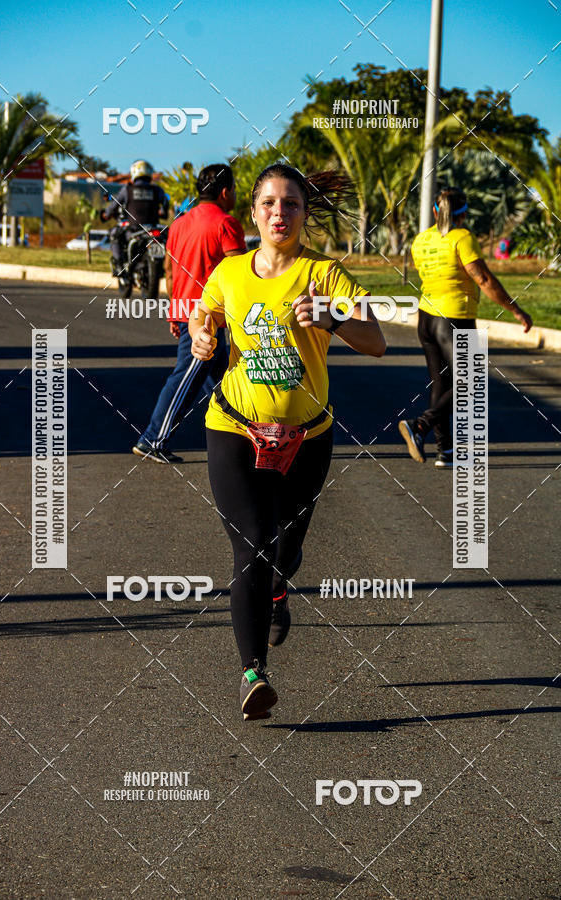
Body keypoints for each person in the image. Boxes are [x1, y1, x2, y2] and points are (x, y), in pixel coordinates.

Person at [189, 163, 386, 720]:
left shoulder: (326, 274)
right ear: (252, 212)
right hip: (233, 426)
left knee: (286, 550)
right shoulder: (229, 271)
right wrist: (203, 333)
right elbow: (205, 315)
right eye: (270, 203)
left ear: (304, 213)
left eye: (291, 204)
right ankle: (254, 674)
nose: (280, 213)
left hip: (308, 436)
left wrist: (332, 319)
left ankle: (279, 587)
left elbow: (377, 342)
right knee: (251, 542)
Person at [399, 188, 532, 468]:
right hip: (454, 318)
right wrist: (515, 309)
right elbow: (483, 278)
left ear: (436, 211)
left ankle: (444, 451)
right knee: (470, 382)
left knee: (442, 383)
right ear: (464, 213)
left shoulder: (421, 240)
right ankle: (420, 425)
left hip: (426, 318)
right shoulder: (462, 237)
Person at [132, 164, 246, 463]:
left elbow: (169, 272)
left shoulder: (179, 223)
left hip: (185, 310)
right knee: (186, 376)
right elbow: (239, 276)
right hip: (207, 319)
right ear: (225, 192)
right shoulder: (227, 223)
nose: (235, 195)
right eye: (234, 190)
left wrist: (174, 312)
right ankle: (152, 439)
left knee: (224, 380)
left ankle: (244, 436)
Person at [101, 160, 169, 276]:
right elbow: (165, 206)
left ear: (134, 173)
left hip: (134, 230)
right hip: (153, 228)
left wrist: (105, 214)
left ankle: (119, 266)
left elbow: (114, 205)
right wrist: (161, 212)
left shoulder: (127, 190)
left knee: (114, 234)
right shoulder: (158, 190)